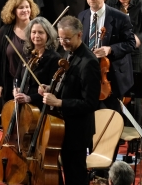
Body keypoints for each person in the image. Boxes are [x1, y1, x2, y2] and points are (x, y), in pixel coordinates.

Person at [39, 15, 100, 185]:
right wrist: (51, 88)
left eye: (67, 38)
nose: (63, 42)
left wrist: (59, 102)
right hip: (65, 127)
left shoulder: (89, 62)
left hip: (77, 131)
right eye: (60, 38)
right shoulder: (69, 53)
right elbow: (69, 87)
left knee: (76, 177)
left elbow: (90, 103)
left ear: (79, 35)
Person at [79, 0, 134, 105]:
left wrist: (110, 49)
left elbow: (130, 43)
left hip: (112, 74)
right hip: (89, 73)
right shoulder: (82, 16)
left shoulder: (120, 17)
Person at [0, 0, 41, 105]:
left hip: (32, 84)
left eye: (27, 7)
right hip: (9, 82)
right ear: (13, 11)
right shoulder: (5, 31)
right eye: (21, 8)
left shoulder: (37, 30)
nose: (25, 10)